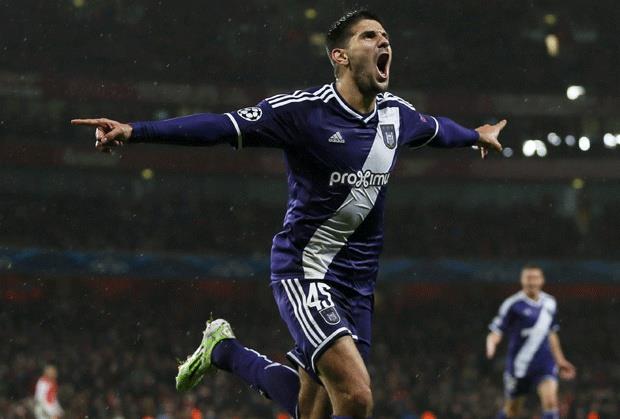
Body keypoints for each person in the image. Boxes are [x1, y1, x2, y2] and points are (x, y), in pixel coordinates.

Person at [72, 9, 506, 419]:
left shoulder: (397, 115)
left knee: (311, 411)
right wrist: (135, 131)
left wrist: (476, 135)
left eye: (386, 37)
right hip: (306, 271)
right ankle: (225, 350)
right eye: (369, 36)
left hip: (358, 285)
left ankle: (224, 350)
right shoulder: (303, 112)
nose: (383, 42)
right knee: (356, 397)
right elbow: (221, 126)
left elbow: (438, 130)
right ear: (339, 56)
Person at [486, 265, 577, 419]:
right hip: (519, 365)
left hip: (544, 363)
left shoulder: (550, 302)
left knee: (551, 403)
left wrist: (560, 360)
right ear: (522, 280)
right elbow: (497, 330)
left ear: (542, 280)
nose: (531, 282)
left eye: (535, 278)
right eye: (528, 278)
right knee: (512, 411)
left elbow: (551, 333)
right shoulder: (512, 304)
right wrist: (491, 342)